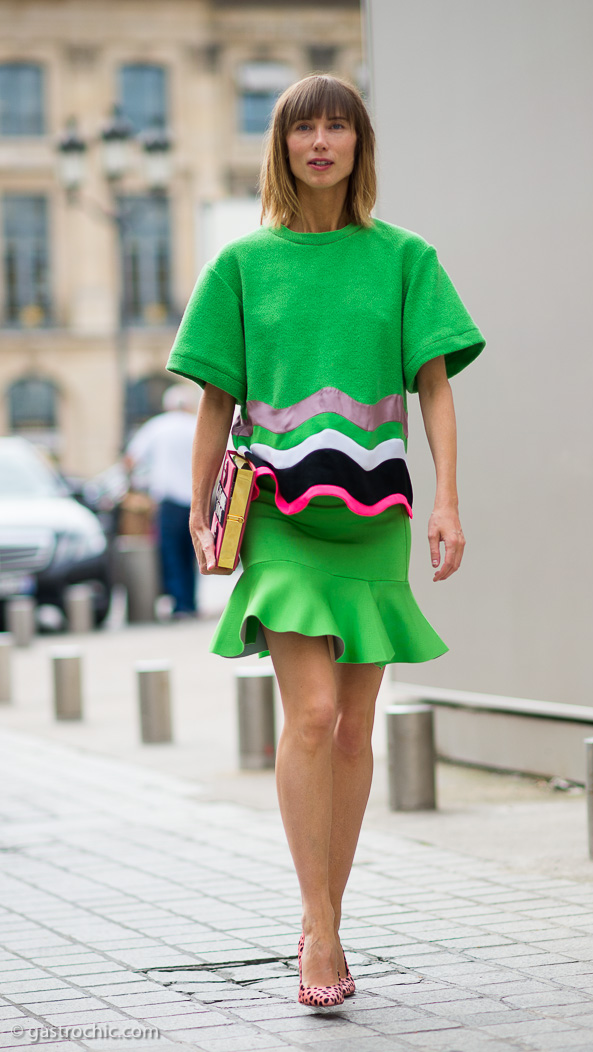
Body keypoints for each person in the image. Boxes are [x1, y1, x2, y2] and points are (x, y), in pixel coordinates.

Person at [167, 75, 485, 1006]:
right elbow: (215, 400)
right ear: (282, 146)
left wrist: (449, 502)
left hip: (376, 514)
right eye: (303, 126)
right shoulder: (239, 265)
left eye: (336, 124)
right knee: (310, 718)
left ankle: (323, 919)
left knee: (354, 730)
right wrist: (200, 507)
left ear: (358, 142)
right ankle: (321, 932)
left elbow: (435, 387)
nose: (320, 141)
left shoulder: (404, 258)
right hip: (277, 512)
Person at [125, 383, 199, 618]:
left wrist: (138, 482)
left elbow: (130, 459)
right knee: (193, 552)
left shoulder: (156, 427)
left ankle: (180, 605)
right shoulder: (196, 425)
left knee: (172, 554)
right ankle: (191, 602)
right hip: (196, 499)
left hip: (167, 501)